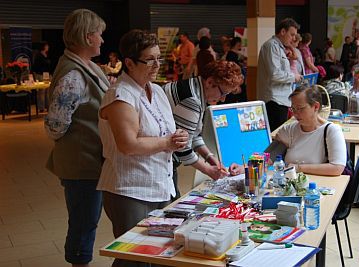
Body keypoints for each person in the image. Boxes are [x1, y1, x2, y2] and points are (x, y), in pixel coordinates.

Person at [96, 29, 189, 267]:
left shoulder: (156, 90)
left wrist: (178, 137)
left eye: (159, 58)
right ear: (128, 62)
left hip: (161, 183)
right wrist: (168, 142)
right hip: (130, 189)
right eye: (150, 60)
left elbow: (164, 131)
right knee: (135, 259)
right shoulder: (120, 95)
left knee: (162, 253)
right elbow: (128, 145)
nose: (157, 65)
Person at [44, 9, 109, 267]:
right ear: (87, 36)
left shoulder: (86, 67)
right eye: (99, 35)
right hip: (81, 164)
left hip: (91, 161)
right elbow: (56, 125)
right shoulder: (73, 76)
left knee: (87, 218)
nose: (102, 40)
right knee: (84, 221)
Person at [163, 60, 243, 199]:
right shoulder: (191, 99)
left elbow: (194, 135)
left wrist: (212, 160)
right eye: (223, 93)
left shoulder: (195, 89)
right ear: (210, 82)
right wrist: (208, 170)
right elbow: (183, 148)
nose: (223, 99)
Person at [230, 85, 347, 176]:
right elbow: (267, 156)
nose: (296, 114)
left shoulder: (331, 131)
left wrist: (298, 168)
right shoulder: (290, 129)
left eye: (300, 109)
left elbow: (337, 168)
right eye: (293, 109)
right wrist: (245, 167)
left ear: (316, 107)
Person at [257, 18, 302, 132]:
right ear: (282, 31)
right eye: (291, 35)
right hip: (274, 101)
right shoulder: (272, 46)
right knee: (275, 136)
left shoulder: (280, 48)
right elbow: (275, 74)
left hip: (281, 99)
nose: (293, 38)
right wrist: (294, 77)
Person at [32, 41, 51, 112]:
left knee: (47, 92)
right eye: (46, 46)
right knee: (41, 92)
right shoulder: (38, 55)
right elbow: (36, 67)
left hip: (47, 75)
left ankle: (48, 106)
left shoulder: (46, 54)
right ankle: (41, 107)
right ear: (43, 47)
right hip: (40, 75)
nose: (48, 47)